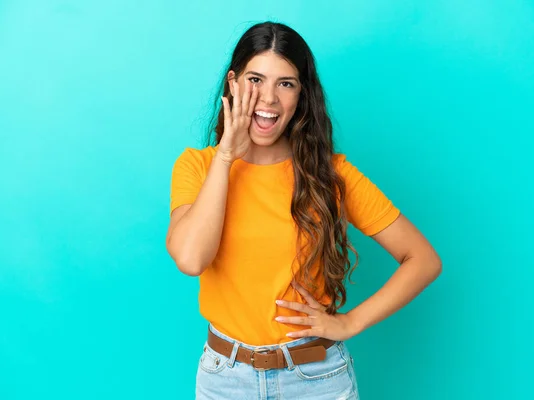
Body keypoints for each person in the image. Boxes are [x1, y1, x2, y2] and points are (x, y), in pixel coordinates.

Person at [166, 21, 442, 400]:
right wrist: (227, 156)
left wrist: (349, 322)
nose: (268, 99)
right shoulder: (198, 166)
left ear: (301, 94)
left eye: (286, 83)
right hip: (225, 380)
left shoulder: (331, 176)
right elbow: (191, 259)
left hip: (317, 380)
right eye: (255, 80)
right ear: (233, 83)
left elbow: (423, 259)